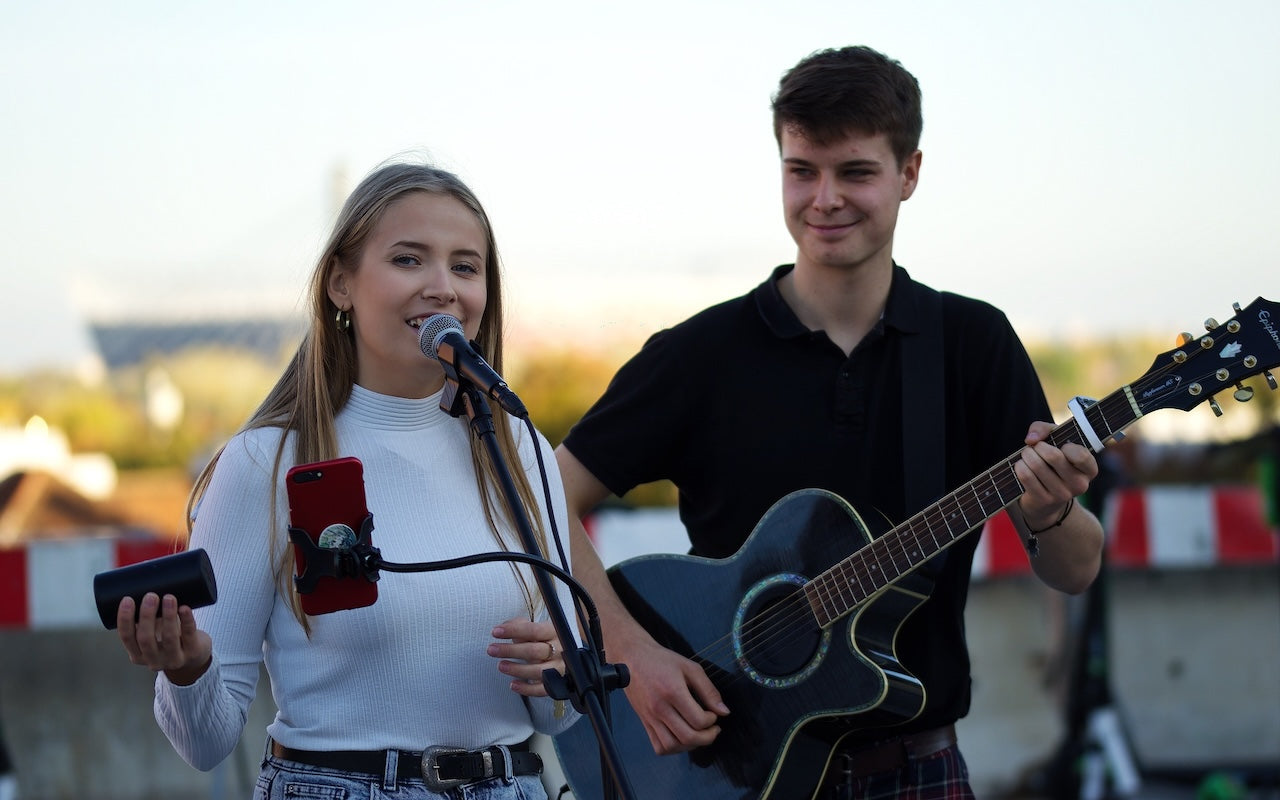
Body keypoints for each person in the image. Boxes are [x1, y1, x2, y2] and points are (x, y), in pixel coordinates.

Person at [555, 45, 1104, 799]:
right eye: (801, 170)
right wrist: (630, 652)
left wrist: (1051, 511)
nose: (824, 199)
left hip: (915, 771)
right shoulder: (700, 354)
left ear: (910, 173)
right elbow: (542, 499)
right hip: (726, 772)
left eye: (855, 172)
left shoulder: (971, 345)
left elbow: (1074, 570)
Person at [115, 160, 580, 800]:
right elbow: (205, 744)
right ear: (341, 283)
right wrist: (188, 668)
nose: (443, 287)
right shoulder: (267, 461)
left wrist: (557, 674)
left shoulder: (518, 448)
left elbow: (560, 714)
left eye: (466, 266)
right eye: (409, 260)